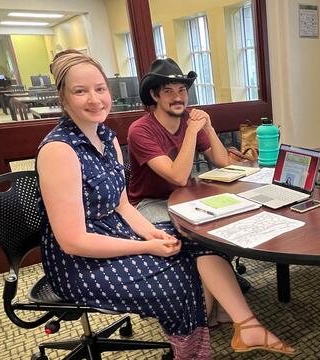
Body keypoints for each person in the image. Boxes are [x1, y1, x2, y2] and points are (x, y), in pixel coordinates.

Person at [36, 49, 293, 358]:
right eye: (81, 91)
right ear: (63, 98)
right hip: (79, 262)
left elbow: (122, 206)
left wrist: (153, 235)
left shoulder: (106, 137)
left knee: (201, 245)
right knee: (181, 285)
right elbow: (74, 242)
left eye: (100, 89)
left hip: (118, 229)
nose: (94, 99)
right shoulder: (59, 151)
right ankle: (193, 348)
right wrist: (147, 246)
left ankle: (248, 326)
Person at [127, 58, 230, 224]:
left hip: (184, 196)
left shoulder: (189, 119)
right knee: (187, 234)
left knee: (224, 220)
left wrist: (209, 128)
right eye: (168, 91)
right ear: (154, 95)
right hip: (149, 203)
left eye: (182, 90)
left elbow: (224, 162)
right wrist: (191, 130)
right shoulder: (140, 130)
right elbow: (178, 177)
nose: (177, 97)